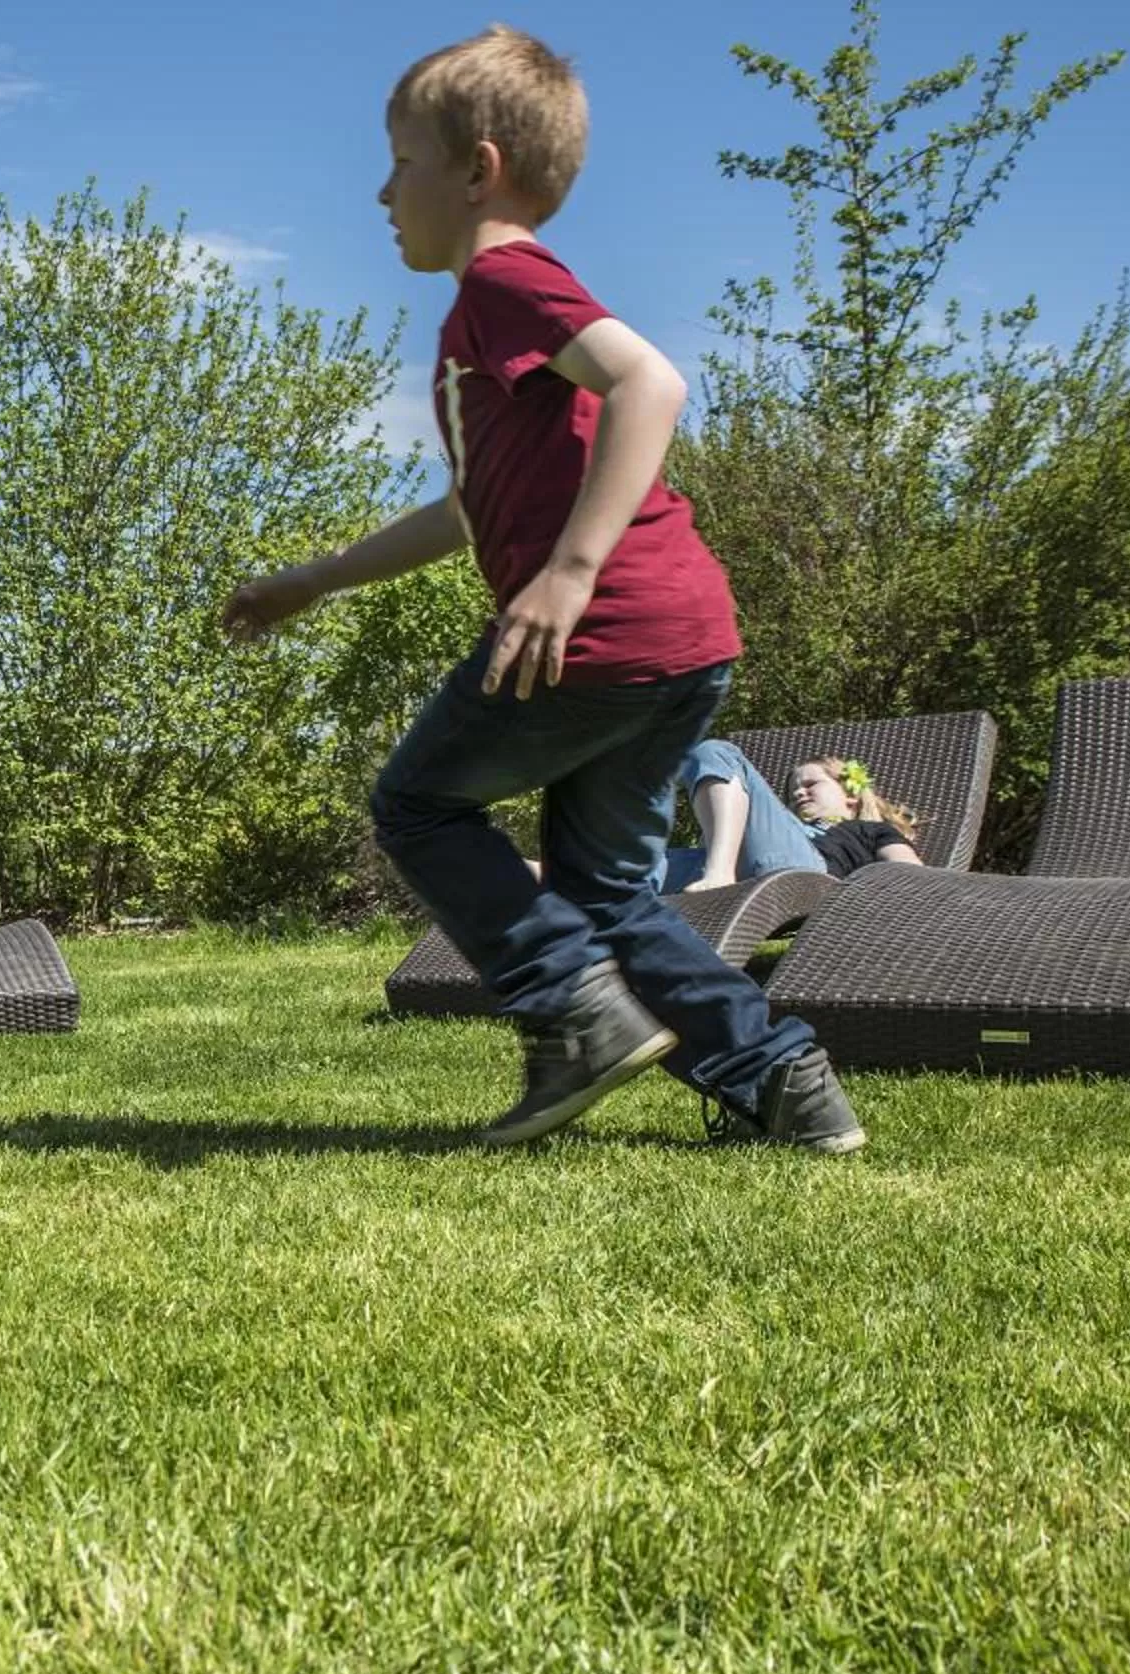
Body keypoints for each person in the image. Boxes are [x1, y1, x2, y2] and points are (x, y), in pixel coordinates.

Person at [221, 26, 864, 1153]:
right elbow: (469, 507)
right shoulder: (495, 317)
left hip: (604, 630)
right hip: (682, 638)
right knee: (607, 892)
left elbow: (649, 383)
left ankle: (571, 1012)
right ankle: (780, 1077)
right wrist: (314, 581)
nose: (381, 192)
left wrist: (569, 574)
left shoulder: (505, 281)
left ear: (479, 168)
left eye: (400, 163)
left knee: (418, 801)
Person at [659, 744, 923, 893]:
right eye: (793, 789)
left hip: (803, 873)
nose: (798, 791)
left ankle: (719, 874)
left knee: (713, 752)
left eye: (811, 784)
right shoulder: (787, 828)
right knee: (628, 868)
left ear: (850, 796)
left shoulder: (870, 830)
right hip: (746, 863)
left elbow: (911, 871)